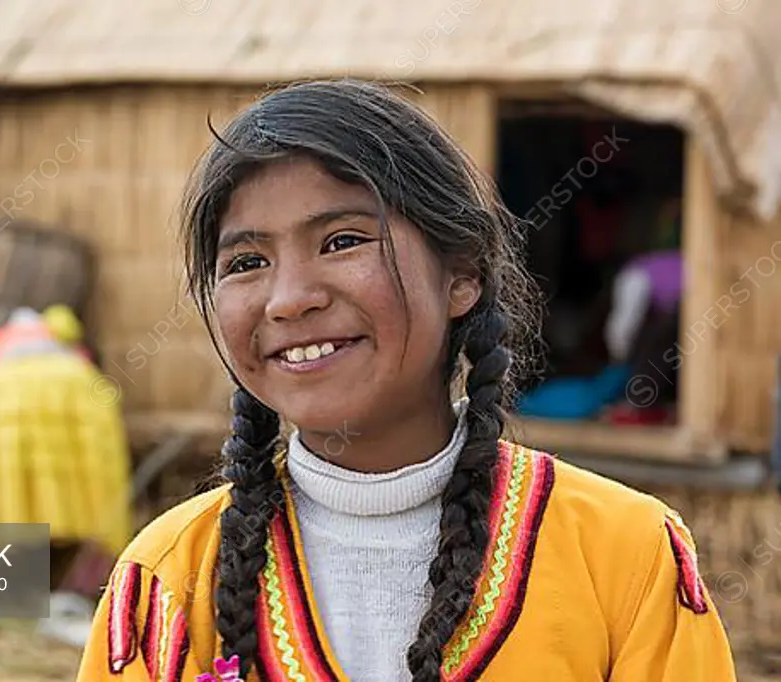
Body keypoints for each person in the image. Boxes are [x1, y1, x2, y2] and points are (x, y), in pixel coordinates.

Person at [75, 80, 736, 681]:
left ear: (463, 275)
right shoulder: (167, 580)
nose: (288, 300)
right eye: (247, 261)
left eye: (342, 241)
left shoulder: (626, 558)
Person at [0, 303, 133, 646]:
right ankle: (63, 588)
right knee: (59, 524)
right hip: (69, 472)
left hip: (4, 460)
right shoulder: (76, 368)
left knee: (9, 519)